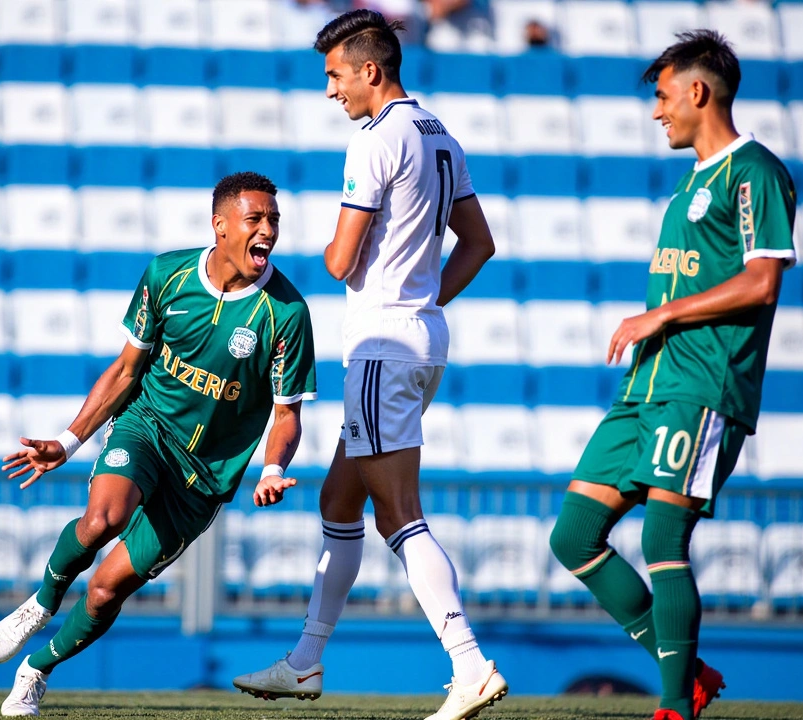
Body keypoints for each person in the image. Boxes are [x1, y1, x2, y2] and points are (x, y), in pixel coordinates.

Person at [233, 10, 503, 720]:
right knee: (338, 501)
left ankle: (469, 663)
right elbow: (478, 243)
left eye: (335, 75)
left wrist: (347, 272)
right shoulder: (441, 132)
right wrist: (422, 298)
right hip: (416, 335)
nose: (331, 91)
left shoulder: (376, 140)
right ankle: (305, 662)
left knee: (399, 516)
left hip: (383, 344)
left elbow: (340, 259)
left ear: (370, 70)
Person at [0, 172, 317, 718]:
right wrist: (67, 443)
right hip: (148, 427)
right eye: (255, 219)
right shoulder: (168, 275)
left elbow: (286, 414)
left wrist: (273, 467)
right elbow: (124, 370)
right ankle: (41, 603)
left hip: (204, 476)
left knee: (107, 591)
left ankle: (35, 670)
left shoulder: (287, 313)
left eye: (274, 220)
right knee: (102, 521)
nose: (268, 230)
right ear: (221, 225)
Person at [547, 30, 795, 720]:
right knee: (573, 535)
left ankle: (674, 707)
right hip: (647, 386)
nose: (657, 112)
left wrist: (662, 316)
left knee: (662, 540)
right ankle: (689, 669)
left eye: (662, 96)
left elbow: (763, 280)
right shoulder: (693, 180)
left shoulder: (755, 173)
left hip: (703, 385)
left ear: (697, 91)